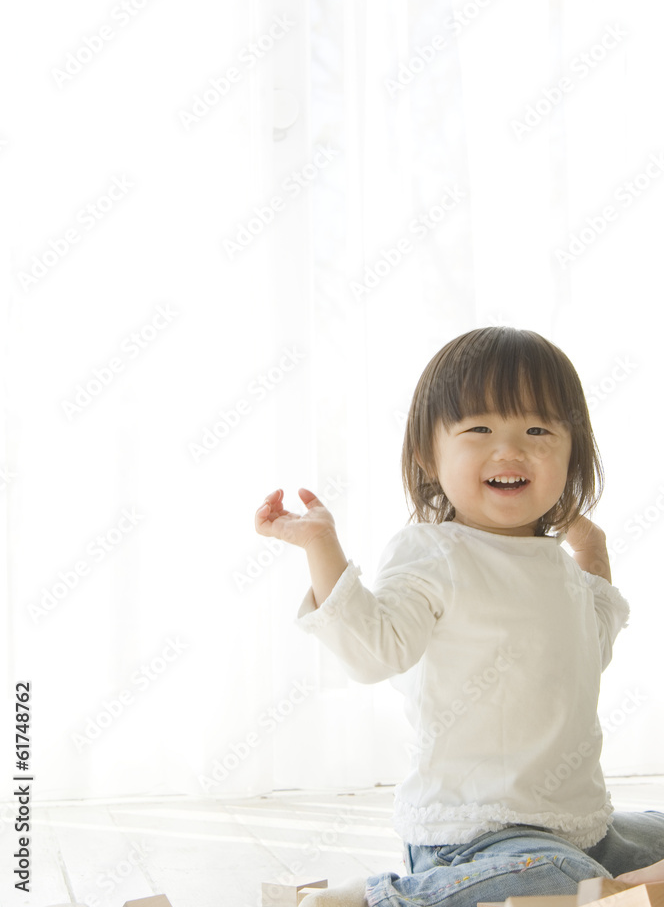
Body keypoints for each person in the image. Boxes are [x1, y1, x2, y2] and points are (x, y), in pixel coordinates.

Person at [255, 327, 664, 907]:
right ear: (429, 453)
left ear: (573, 455)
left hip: (580, 827)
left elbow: (587, 651)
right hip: (471, 837)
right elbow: (374, 653)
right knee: (554, 875)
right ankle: (378, 899)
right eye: (479, 430)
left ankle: (609, 889)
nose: (510, 450)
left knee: (581, 864)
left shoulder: (556, 563)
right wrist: (323, 548)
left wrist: (592, 554)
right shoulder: (436, 553)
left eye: (539, 431)